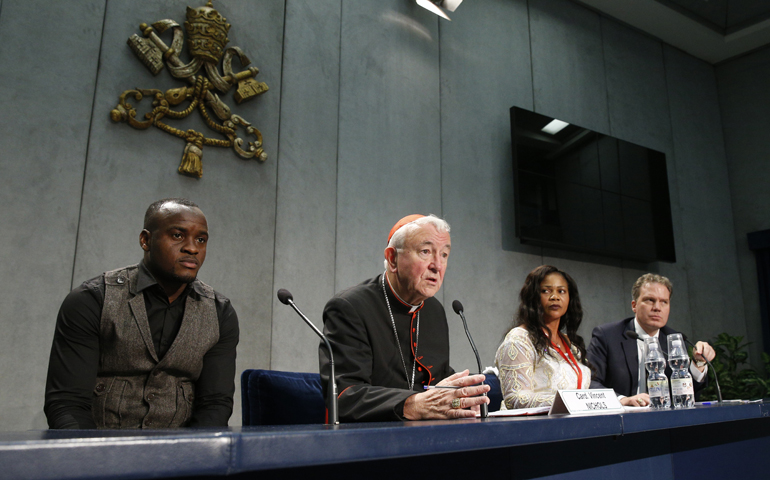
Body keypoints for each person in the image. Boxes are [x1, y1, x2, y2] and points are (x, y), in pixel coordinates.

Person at [44, 198, 239, 429]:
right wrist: (90, 459)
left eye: (201, 239)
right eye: (178, 235)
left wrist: (193, 458)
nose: (192, 248)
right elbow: (68, 403)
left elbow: (215, 404)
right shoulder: (91, 300)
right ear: (146, 240)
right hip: (101, 452)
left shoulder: (219, 312)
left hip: (181, 455)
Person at [319, 214, 490, 422]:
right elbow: (344, 396)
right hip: (366, 440)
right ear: (392, 259)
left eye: (444, 255)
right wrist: (413, 403)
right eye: (425, 252)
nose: (437, 265)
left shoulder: (434, 310)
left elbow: (437, 378)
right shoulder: (350, 307)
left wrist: (464, 398)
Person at [587, 273, 715, 406]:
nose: (657, 308)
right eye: (650, 300)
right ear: (634, 306)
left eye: (664, 302)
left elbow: (686, 393)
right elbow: (590, 382)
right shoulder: (607, 336)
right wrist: (622, 400)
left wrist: (699, 363)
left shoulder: (674, 340)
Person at [495, 265, 591, 410]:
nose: (555, 297)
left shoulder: (571, 344)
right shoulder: (519, 340)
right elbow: (515, 399)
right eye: (546, 291)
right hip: (531, 428)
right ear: (533, 297)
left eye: (561, 291)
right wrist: (570, 401)